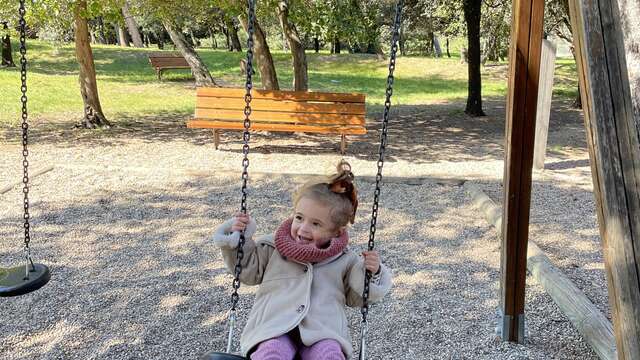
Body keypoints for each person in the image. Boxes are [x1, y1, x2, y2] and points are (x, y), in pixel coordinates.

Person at [213, 161, 393, 360]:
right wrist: (238, 238)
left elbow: (356, 298)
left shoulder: (347, 261)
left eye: (316, 224)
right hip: (273, 327)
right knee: (271, 352)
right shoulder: (272, 247)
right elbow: (246, 270)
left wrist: (372, 274)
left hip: (323, 332)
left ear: (337, 232)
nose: (303, 228)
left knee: (329, 354)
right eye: (299, 218)